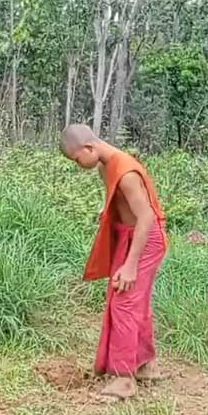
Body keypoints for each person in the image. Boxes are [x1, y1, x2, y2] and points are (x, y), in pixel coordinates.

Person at [61, 124, 168, 400]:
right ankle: (145, 365)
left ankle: (124, 379)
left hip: (145, 238)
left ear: (89, 148)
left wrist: (131, 264)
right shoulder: (104, 167)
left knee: (125, 301)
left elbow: (146, 217)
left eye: (76, 159)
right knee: (133, 299)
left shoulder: (126, 171)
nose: (77, 165)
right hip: (128, 235)